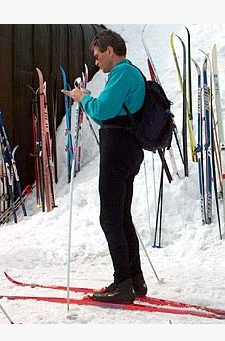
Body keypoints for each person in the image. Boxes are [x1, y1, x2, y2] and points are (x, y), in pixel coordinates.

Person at [62, 29, 147, 304]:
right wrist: (89, 98)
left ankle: (122, 283)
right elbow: (110, 109)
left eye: (98, 56)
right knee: (121, 216)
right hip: (127, 148)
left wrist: (82, 99)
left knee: (110, 217)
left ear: (110, 50)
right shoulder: (130, 73)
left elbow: (102, 111)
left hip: (118, 150)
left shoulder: (122, 73)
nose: (97, 62)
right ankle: (134, 279)